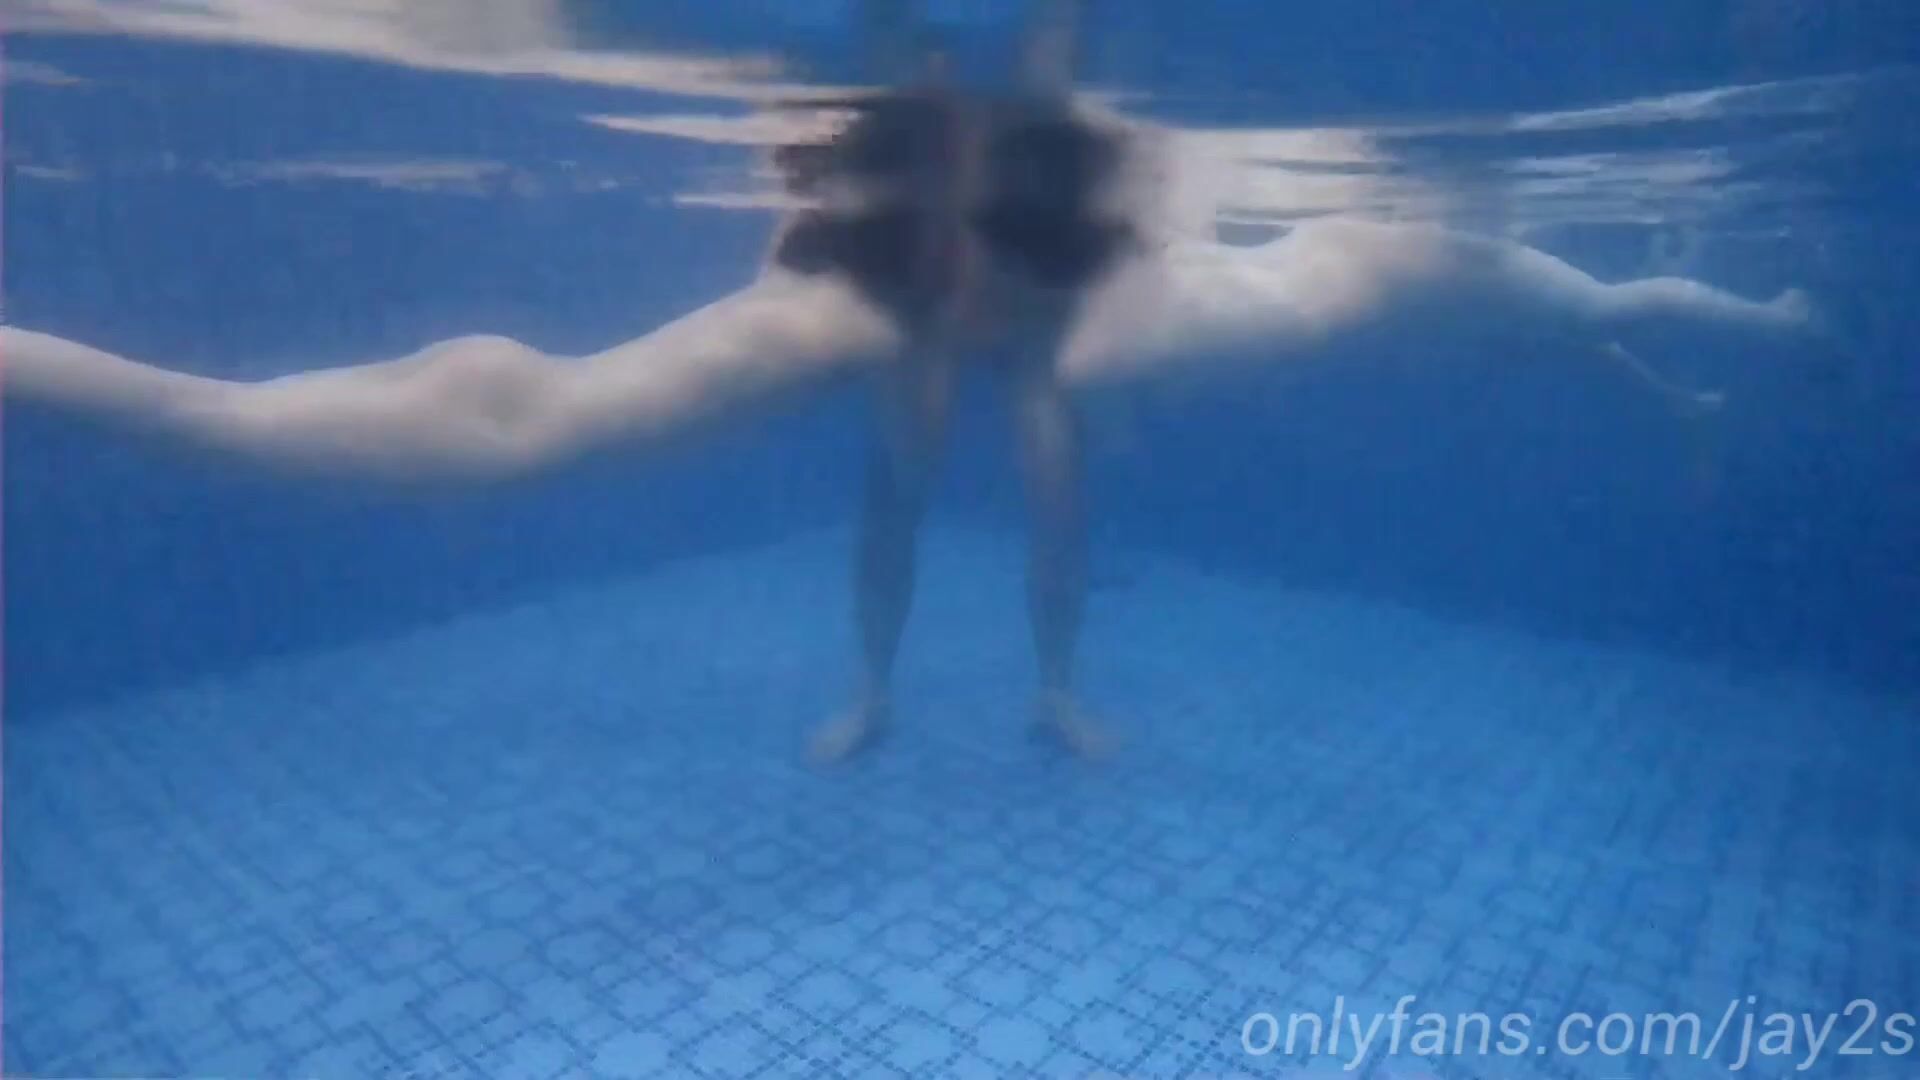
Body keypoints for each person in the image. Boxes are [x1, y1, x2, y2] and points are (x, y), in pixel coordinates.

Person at [0, 5, 1821, 761]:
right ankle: (883, 685)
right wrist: (139, 397)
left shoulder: (1161, 286)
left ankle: (1050, 685)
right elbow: (515, 413)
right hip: (975, 318)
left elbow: (1445, 283)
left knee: (1528, 298)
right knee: (901, 472)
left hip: (1109, 315)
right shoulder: (848, 301)